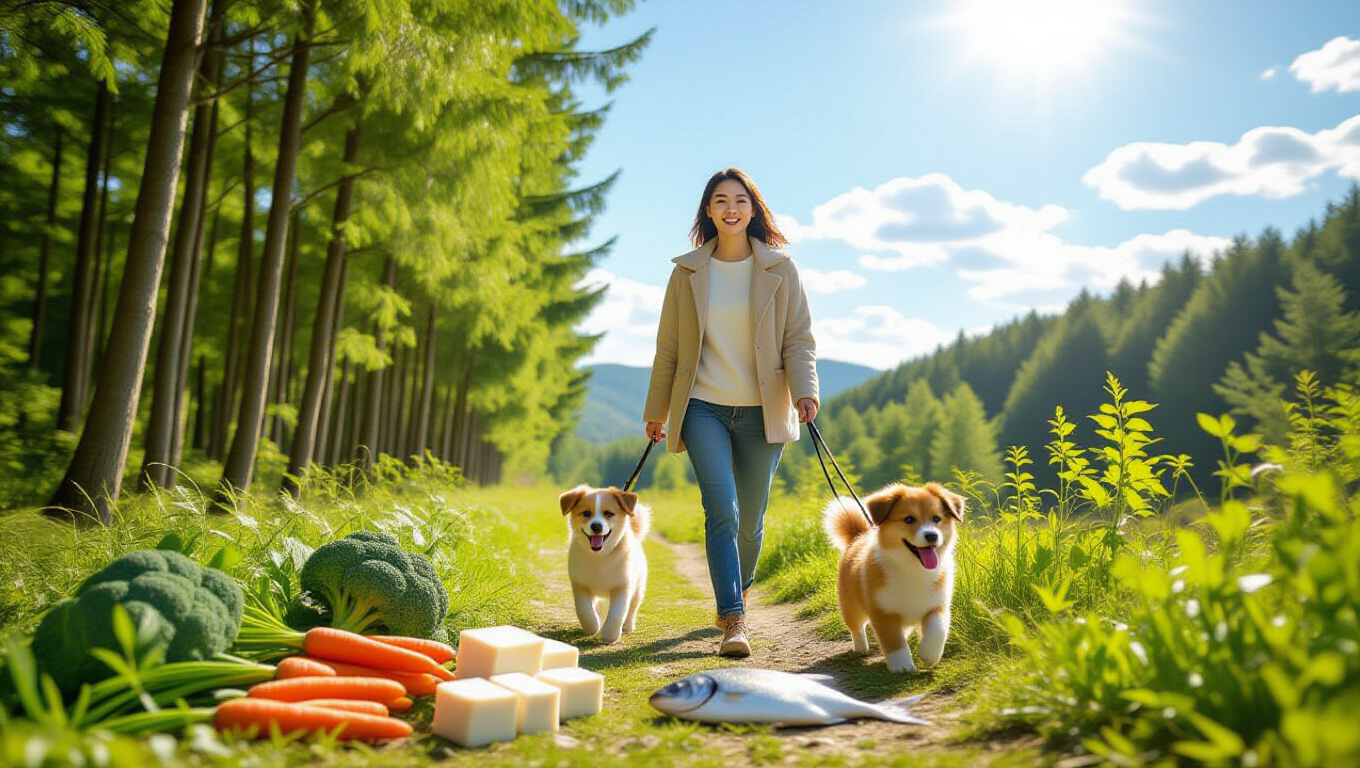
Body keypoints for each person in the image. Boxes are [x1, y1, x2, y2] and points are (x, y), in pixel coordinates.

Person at [643, 168, 819, 658]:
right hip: (703, 407)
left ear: (753, 209)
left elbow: (799, 339)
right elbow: (668, 350)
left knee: (751, 521)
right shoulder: (687, 273)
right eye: (720, 200)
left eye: (739, 200)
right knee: (722, 510)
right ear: (708, 211)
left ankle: (732, 597)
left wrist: (806, 392)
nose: (730, 208)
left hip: (764, 409)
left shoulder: (781, 269)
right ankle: (734, 619)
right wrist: (656, 410)